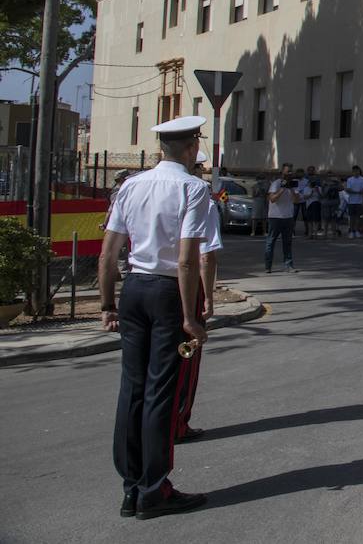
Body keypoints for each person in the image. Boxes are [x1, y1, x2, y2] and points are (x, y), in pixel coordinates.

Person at [96, 115, 211, 519]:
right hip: (166, 292)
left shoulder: (130, 185)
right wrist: (190, 317)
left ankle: (131, 487)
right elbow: (185, 260)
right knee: (161, 391)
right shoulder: (193, 188)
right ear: (192, 147)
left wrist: (108, 305)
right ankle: (155, 488)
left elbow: (108, 253)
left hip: (134, 290)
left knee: (132, 388)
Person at [175, 150, 220, 443]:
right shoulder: (199, 195)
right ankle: (178, 423)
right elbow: (204, 257)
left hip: (142, 282)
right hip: (185, 284)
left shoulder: (137, 185)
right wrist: (207, 298)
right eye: (202, 167)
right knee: (184, 364)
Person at [266, 163, 297, 273]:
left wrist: (291, 189)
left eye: (291, 171)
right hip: (275, 217)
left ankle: (289, 265)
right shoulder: (276, 184)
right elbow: (272, 199)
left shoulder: (293, 185)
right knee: (271, 241)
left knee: (287, 242)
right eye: (288, 171)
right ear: (282, 172)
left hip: (288, 217)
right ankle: (268, 266)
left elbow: (296, 200)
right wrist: (282, 189)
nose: (290, 173)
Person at [344, 165, 363, 238]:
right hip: (351, 201)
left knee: (358, 217)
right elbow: (348, 190)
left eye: (357, 171)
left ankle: (356, 230)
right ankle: (351, 231)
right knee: (351, 217)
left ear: (359, 171)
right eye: (354, 171)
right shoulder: (349, 179)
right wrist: (357, 192)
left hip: (359, 201)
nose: (356, 172)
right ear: (352, 172)